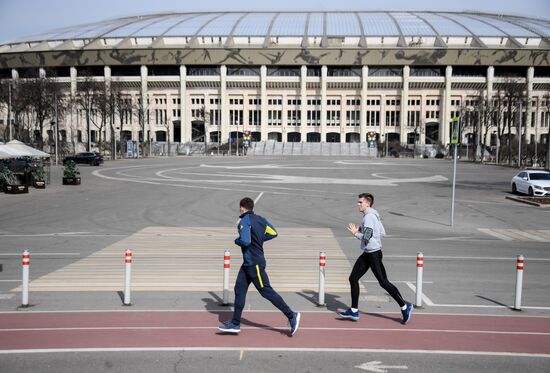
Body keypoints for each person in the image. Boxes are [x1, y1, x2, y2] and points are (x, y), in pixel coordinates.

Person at [218, 197, 301, 336]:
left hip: (254, 264)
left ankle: (292, 315)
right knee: (239, 289)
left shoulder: (244, 221)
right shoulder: (261, 219)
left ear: (242, 208)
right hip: (248, 264)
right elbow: (274, 233)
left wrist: (237, 240)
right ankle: (235, 323)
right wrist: (260, 239)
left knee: (266, 291)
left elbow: (245, 241)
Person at [339, 193, 413, 324]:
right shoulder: (374, 215)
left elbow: (367, 236)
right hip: (369, 253)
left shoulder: (369, 217)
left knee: (383, 282)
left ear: (367, 203)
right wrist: (363, 229)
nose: (358, 204)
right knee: (353, 278)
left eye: (360, 202)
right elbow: (382, 232)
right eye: (358, 202)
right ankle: (354, 311)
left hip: (373, 254)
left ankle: (405, 307)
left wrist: (356, 233)